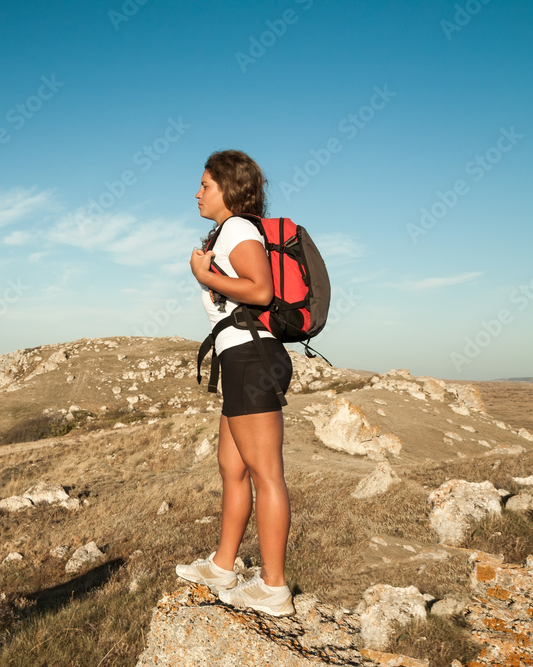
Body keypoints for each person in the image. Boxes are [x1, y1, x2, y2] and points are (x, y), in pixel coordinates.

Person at [175, 150, 295, 617]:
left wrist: (205, 275)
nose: (198, 192)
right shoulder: (229, 232)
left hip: (253, 357)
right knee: (232, 467)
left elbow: (261, 290)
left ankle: (274, 586)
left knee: (266, 474)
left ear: (228, 188)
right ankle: (223, 566)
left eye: (205, 184)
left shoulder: (240, 229)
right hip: (239, 358)